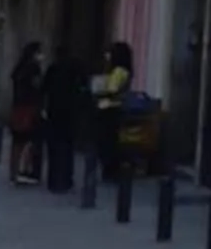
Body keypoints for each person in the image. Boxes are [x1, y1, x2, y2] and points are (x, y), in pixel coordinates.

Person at [39, 46, 86, 195]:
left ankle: (53, 180)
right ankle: (66, 179)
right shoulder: (77, 68)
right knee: (67, 146)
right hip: (71, 112)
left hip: (54, 111)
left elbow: (43, 89)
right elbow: (84, 88)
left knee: (54, 146)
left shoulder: (53, 68)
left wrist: (43, 107)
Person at [90, 40, 133, 186]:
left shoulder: (118, 71)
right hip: (117, 108)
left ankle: (109, 171)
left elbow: (112, 90)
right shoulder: (126, 70)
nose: (107, 56)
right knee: (112, 140)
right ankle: (112, 170)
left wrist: (98, 92)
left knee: (106, 141)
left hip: (108, 108)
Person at [8, 40, 45, 186]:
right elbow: (37, 86)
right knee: (30, 140)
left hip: (17, 107)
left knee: (17, 141)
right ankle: (24, 171)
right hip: (29, 107)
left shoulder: (19, 68)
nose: (41, 55)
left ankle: (13, 172)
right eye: (39, 52)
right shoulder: (33, 68)